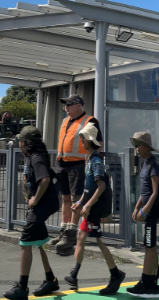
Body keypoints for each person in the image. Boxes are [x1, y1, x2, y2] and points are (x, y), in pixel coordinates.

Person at [61, 122, 128, 295]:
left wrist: (88, 205)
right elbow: (88, 187)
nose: (81, 141)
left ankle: (116, 274)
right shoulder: (90, 159)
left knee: (97, 240)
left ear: (89, 140)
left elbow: (101, 186)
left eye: (82, 138)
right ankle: (74, 274)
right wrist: (81, 202)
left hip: (94, 210)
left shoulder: (95, 160)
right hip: (90, 208)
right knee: (81, 238)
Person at [2, 126, 64, 300]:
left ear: (26, 143)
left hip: (42, 205)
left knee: (24, 243)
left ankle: (22, 287)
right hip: (42, 204)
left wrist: (35, 200)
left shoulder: (36, 158)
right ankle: (50, 279)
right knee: (39, 242)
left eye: (20, 140)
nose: (19, 143)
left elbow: (44, 179)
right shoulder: (32, 157)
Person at [126, 131, 159, 298]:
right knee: (149, 245)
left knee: (149, 246)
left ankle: (149, 284)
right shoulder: (146, 164)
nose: (136, 149)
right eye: (135, 145)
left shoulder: (154, 166)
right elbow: (143, 193)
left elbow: (153, 193)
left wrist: (144, 211)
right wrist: (137, 207)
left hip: (151, 212)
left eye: (138, 145)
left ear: (146, 147)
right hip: (147, 210)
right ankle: (153, 276)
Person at [52, 95, 97, 256]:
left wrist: (91, 163)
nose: (66, 107)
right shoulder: (65, 121)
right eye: (65, 104)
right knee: (65, 197)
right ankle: (63, 231)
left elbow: (98, 144)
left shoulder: (90, 120)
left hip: (78, 164)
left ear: (79, 105)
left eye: (69, 104)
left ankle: (71, 234)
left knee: (75, 199)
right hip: (62, 163)